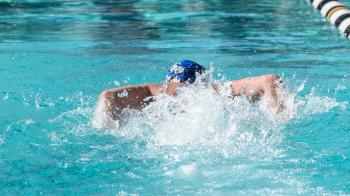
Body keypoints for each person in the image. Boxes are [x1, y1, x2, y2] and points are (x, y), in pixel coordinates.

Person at [95, 60, 283, 128]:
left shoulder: (158, 92)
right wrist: (283, 118)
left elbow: (107, 97)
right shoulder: (216, 91)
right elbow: (269, 80)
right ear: (204, 81)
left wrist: (109, 131)